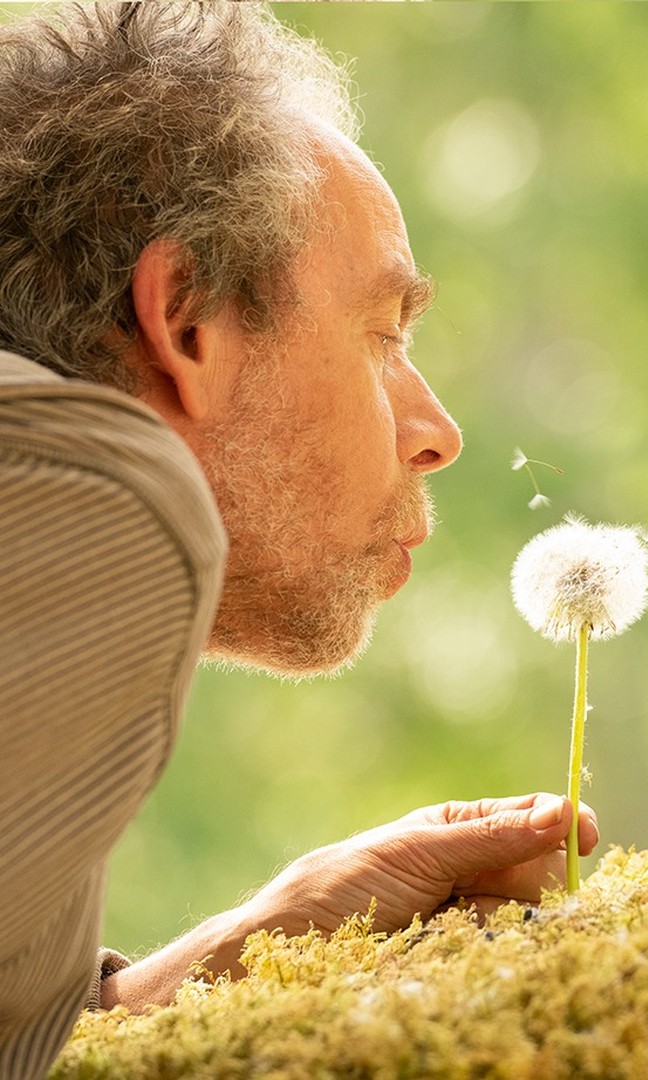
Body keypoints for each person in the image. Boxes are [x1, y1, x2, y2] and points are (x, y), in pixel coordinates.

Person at [0, 4, 599, 1077]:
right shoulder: (95, 487)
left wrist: (223, 962)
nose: (439, 433)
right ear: (185, 320)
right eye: (381, 335)